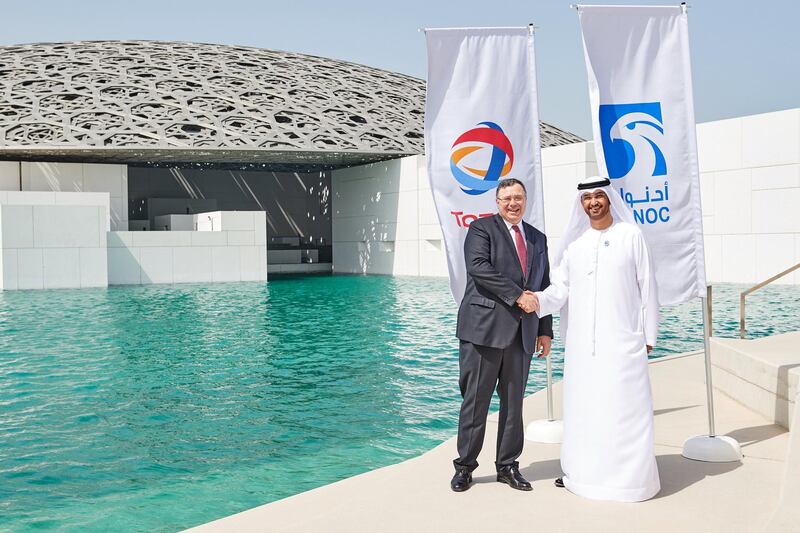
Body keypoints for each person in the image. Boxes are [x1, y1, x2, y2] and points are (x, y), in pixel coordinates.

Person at [531, 176, 660, 502]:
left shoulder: (631, 236)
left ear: (609, 199)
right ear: (581, 204)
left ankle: (630, 483)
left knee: (624, 412)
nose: (593, 202)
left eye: (599, 196)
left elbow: (648, 287)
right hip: (582, 349)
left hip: (623, 344)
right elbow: (559, 291)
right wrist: (534, 300)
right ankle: (583, 476)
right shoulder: (575, 246)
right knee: (584, 411)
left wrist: (648, 334)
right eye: (587, 198)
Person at [450, 177, 553, 493]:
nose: (513, 203)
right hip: (483, 331)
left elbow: (543, 284)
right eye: (507, 198)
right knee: (475, 402)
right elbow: (479, 268)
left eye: (518, 197)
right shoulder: (482, 229)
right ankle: (465, 467)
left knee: (514, 405)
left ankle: (507, 467)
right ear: (497, 202)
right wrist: (517, 295)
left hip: (523, 333)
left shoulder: (537, 238)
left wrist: (545, 330)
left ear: (525, 200)